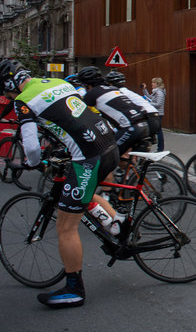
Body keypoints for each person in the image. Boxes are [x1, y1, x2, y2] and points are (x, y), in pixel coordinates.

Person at [0, 59, 119, 308]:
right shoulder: (56, 82)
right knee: (81, 196)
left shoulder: (24, 101)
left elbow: (31, 148)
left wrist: (32, 163)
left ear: (11, 83)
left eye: (6, 91)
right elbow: (71, 115)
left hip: (88, 156)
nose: (8, 96)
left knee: (66, 226)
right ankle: (121, 227)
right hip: (109, 144)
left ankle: (74, 290)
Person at [77, 66, 150, 157]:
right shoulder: (113, 89)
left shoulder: (92, 93)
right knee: (124, 157)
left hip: (130, 128)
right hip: (144, 124)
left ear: (87, 84)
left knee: (107, 158)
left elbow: (81, 114)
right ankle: (133, 170)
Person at [106, 71, 161, 148]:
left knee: (120, 145)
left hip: (147, 118)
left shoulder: (118, 93)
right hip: (154, 117)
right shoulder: (127, 91)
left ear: (111, 84)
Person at [142, 77, 166, 151]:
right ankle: (157, 146)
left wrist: (148, 102)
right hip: (156, 113)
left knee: (158, 131)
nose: (151, 84)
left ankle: (160, 148)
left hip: (158, 114)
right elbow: (150, 97)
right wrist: (144, 89)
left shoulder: (159, 92)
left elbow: (158, 104)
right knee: (157, 130)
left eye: (153, 82)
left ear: (157, 84)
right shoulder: (156, 91)